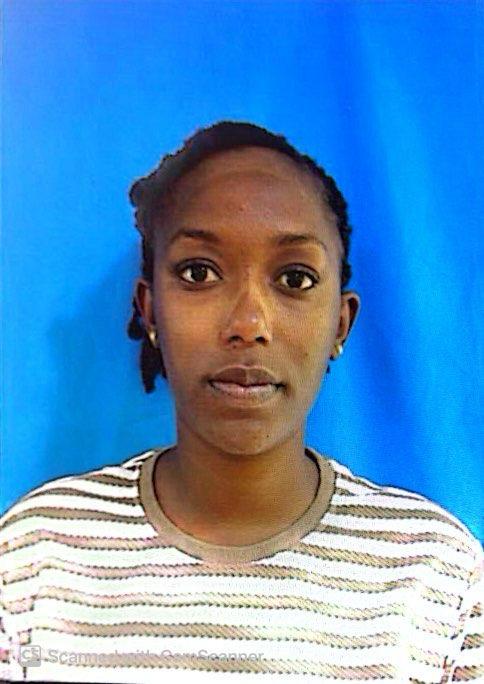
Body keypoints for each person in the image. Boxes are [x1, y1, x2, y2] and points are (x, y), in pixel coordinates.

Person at [0, 121, 482, 683]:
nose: (249, 323)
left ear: (340, 323)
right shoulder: (34, 561)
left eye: (295, 278)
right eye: (199, 272)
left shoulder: (436, 577)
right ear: (150, 311)